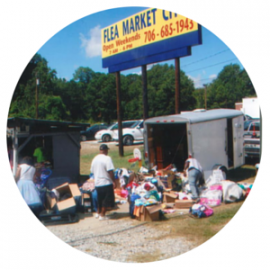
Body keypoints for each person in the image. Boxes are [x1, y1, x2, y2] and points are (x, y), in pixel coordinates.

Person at [90, 144, 116, 221]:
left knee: (100, 199)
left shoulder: (95, 159)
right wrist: (114, 181)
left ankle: (98, 213)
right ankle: (102, 215)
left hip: (98, 183)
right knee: (106, 200)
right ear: (106, 150)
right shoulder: (107, 158)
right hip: (106, 182)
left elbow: (92, 171)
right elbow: (110, 171)